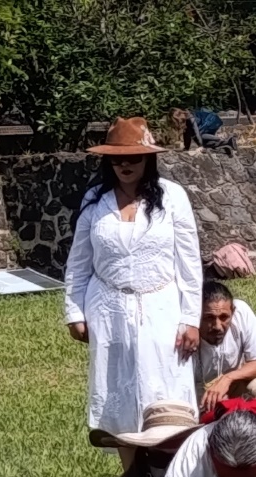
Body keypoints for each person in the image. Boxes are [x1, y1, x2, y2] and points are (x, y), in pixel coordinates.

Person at [64, 117, 203, 456]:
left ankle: (170, 474)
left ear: (148, 158)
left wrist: (192, 318)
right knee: (117, 394)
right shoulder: (95, 200)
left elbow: (189, 262)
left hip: (162, 307)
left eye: (134, 158)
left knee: (164, 390)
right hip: (108, 308)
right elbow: (79, 261)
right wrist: (74, 310)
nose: (125, 165)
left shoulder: (173, 197)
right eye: (117, 158)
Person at [196, 280, 256, 413]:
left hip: (234, 384)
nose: (217, 326)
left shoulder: (241, 313)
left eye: (224, 317)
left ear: (232, 311)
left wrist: (228, 379)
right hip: (196, 396)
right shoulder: (186, 331)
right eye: (209, 318)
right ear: (196, 314)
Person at [172, 108, 237, 156]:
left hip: (211, 120)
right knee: (205, 143)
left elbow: (196, 132)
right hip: (207, 123)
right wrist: (186, 148)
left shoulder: (190, 118)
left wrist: (200, 146)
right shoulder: (185, 121)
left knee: (199, 136)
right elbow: (186, 135)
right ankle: (228, 142)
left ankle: (221, 139)